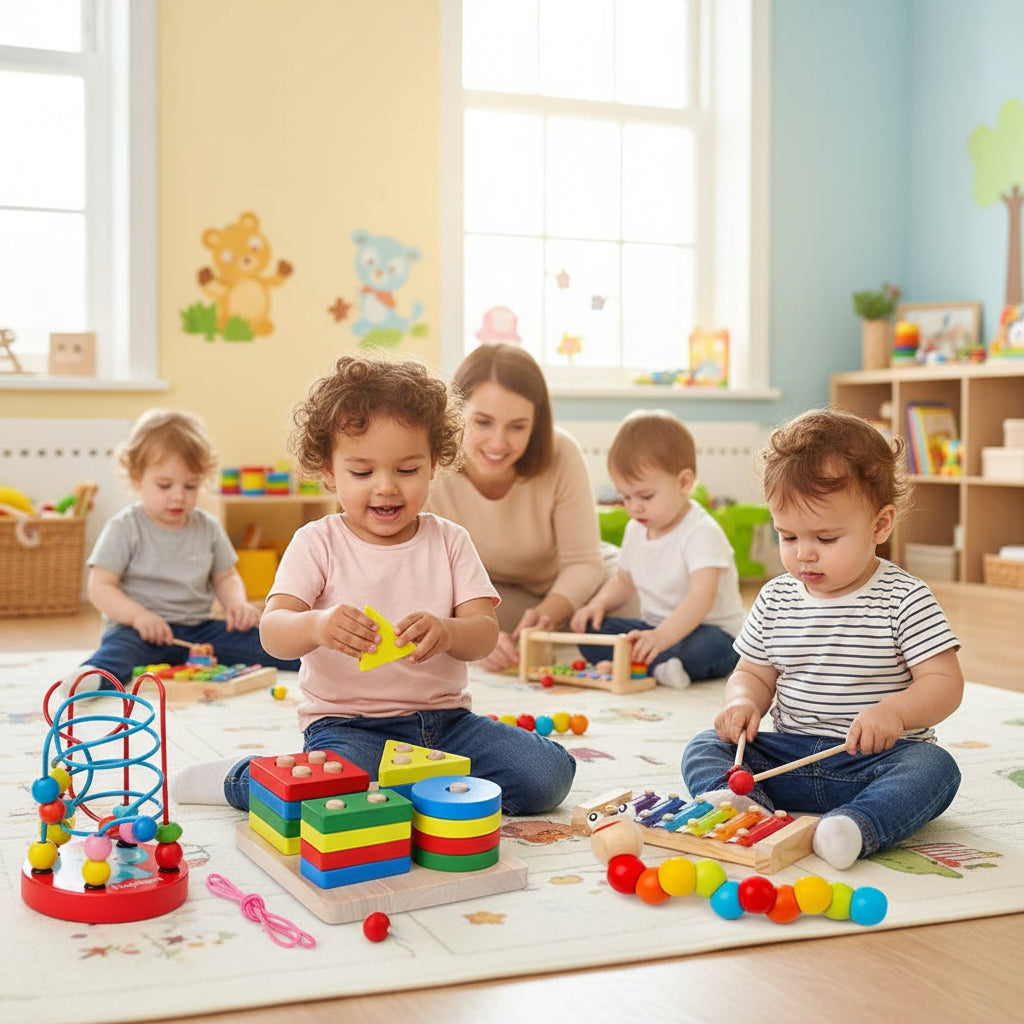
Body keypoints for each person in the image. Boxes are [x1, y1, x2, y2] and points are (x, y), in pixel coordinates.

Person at [172, 353, 576, 815]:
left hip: (446, 726)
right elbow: (274, 630)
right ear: (328, 470)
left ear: (434, 464)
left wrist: (448, 631)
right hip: (349, 728)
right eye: (362, 472)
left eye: (407, 470)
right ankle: (243, 776)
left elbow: (483, 633)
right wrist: (318, 626)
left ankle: (409, 788)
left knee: (546, 778)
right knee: (326, 795)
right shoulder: (317, 542)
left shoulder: (450, 541)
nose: (386, 487)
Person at [681, 408, 964, 869]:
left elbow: (945, 683)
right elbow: (753, 672)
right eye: (788, 536)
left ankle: (855, 826)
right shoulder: (775, 598)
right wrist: (742, 703)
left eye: (827, 538)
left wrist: (893, 712)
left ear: (880, 525)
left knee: (935, 770)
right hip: (787, 757)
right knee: (703, 747)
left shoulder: (905, 597)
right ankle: (752, 815)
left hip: (877, 762)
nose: (804, 553)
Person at [60, 409, 299, 695]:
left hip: (198, 631)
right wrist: (138, 617)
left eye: (190, 486)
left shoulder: (207, 526)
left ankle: (316, 660)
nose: (178, 495)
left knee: (261, 639)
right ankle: (91, 678)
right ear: (137, 478)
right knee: (119, 650)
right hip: (138, 631)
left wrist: (235, 603)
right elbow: (100, 588)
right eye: (164, 485)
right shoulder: (125, 527)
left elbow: (225, 576)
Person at [425, 343, 605, 672]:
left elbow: (585, 564)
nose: (498, 443)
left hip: (558, 591)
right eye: (483, 422)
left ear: (536, 424)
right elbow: (421, 577)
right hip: (483, 598)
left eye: (517, 427)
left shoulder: (562, 452)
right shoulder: (429, 464)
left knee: (626, 605)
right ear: (455, 413)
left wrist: (550, 612)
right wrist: (467, 634)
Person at [570, 410, 745, 688]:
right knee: (591, 631)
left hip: (712, 633)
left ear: (683, 483)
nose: (633, 506)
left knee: (709, 648)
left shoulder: (701, 532)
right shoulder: (636, 528)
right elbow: (624, 581)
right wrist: (597, 604)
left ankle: (642, 663)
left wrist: (662, 637)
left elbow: (702, 597)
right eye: (625, 496)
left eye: (645, 496)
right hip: (654, 630)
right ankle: (656, 664)